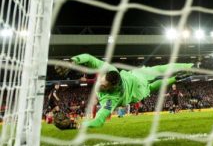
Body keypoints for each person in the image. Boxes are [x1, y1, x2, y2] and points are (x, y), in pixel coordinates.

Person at [57, 53, 193, 128]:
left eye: (103, 85)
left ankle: (183, 71)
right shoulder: (110, 71)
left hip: (137, 90)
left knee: (152, 85)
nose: (100, 84)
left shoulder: (111, 99)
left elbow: (98, 120)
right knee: (159, 71)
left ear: (112, 87)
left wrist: (77, 125)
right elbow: (90, 58)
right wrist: (73, 61)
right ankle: (181, 73)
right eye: (101, 80)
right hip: (135, 75)